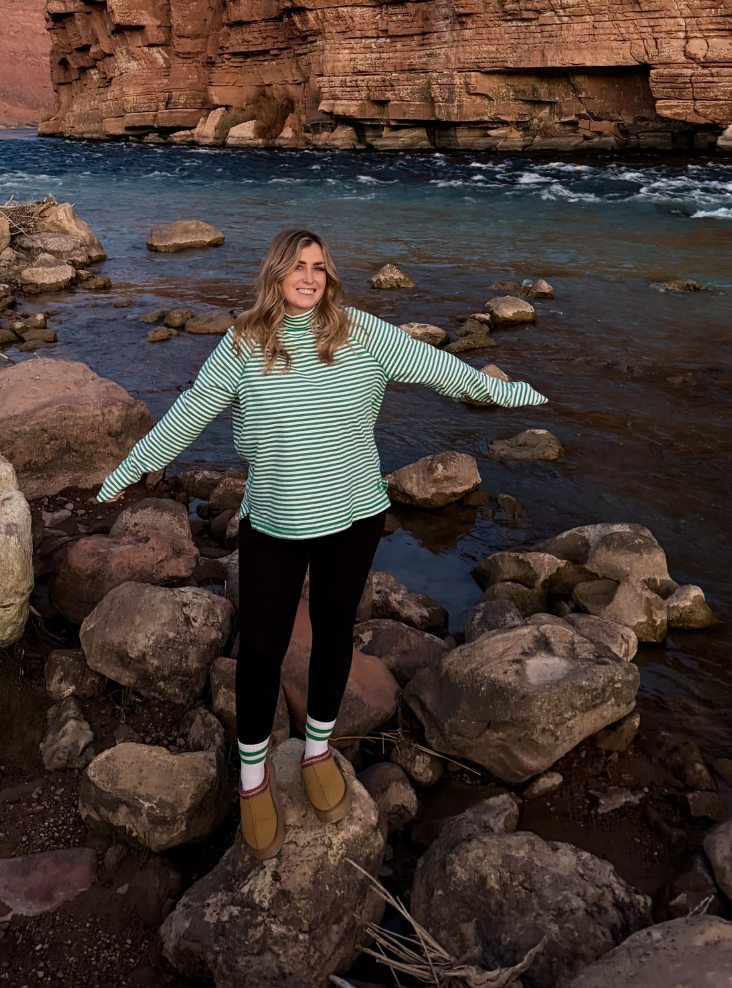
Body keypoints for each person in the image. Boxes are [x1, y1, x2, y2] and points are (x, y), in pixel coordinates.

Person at [96, 227, 547, 859]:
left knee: (336, 632)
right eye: (298, 267)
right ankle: (253, 781)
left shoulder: (360, 332)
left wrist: (507, 391)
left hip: (353, 514)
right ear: (276, 274)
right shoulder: (246, 343)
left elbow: (440, 369)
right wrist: (126, 472)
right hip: (274, 524)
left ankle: (316, 751)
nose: (310, 277)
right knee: (261, 647)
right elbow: (189, 414)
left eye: (320, 267)